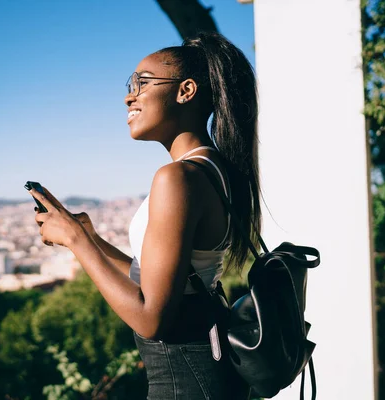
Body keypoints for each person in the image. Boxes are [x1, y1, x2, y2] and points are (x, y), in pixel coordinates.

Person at [28, 31, 261, 400]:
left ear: (186, 91)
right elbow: (162, 282)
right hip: (208, 373)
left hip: (184, 382)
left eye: (142, 83)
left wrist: (74, 239)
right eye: (129, 85)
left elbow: (151, 318)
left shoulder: (178, 177)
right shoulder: (218, 169)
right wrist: (91, 240)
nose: (128, 95)